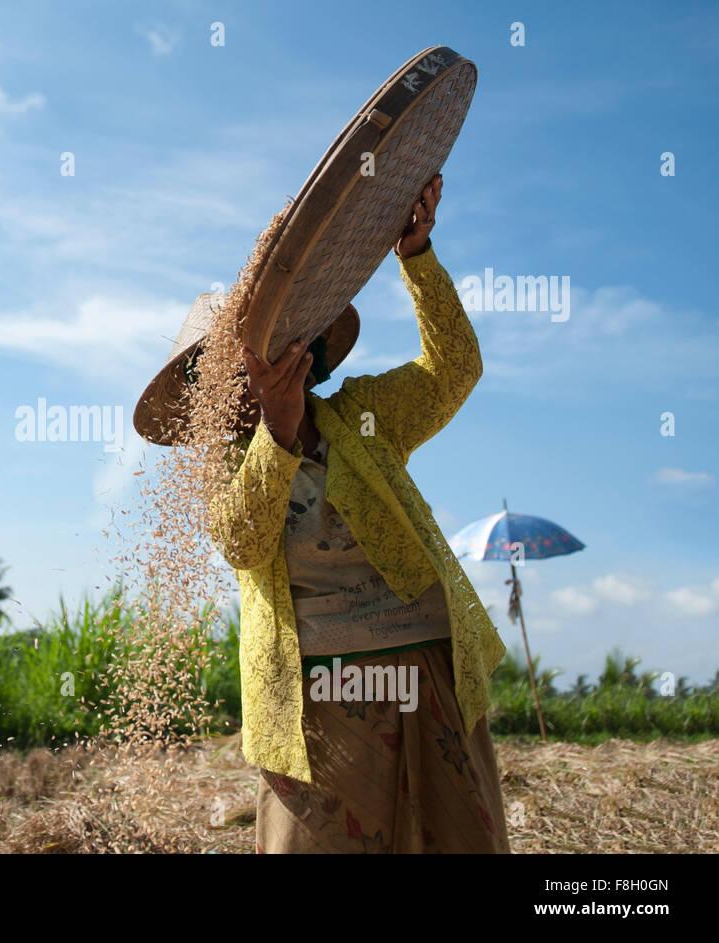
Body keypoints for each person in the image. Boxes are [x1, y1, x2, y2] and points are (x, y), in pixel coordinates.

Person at [212, 173, 510, 853]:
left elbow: (456, 367)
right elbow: (240, 541)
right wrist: (277, 438)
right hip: (316, 693)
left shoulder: (362, 417)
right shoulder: (227, 459)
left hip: (425, 662)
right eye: (249, 366)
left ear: (308, 350)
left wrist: (418, 257)